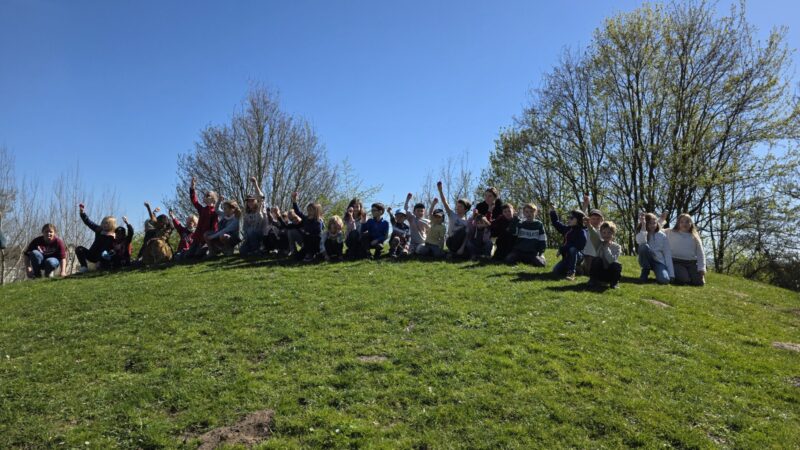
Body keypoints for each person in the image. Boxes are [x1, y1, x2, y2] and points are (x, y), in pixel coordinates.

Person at [661, 213, 706, 286]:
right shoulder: (670, 232)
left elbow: (700, 253)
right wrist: (661, 220)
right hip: (675, 262)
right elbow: (656, 229)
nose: (684, 224)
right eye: (681, 222)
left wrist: (702, 268)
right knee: (684, 280)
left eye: (687, 222)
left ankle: (694, 277)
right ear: (678, 223)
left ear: (691, 223)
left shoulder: (695, 236)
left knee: (699, 283)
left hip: (691, 263)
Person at [75, 204, 117, 273]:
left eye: (107, 223)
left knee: (106, 252)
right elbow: (89, 222)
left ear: (112, 225)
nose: (104, 224)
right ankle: (84, 267)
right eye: (103, 223)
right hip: (92, 255)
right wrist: (82, 213)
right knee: (79, 249)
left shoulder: (114, 236)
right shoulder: (99, 230)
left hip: (103, 257)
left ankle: (104, 266)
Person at [185, 176, 219, 258]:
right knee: (188, 255)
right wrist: (192, 187)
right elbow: (194, 201)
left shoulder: (216, 211)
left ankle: (212, 250)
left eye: (208, 195)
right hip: (197, 238)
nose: (205, 196)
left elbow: (215, 228)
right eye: (205, 195)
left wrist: (209, 239)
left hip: (207, 239)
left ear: (213, 199)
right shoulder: (202, 209)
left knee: (198, 255)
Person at [550, 206, 587, 281]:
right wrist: (553, 212)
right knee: (556, 271)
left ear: (579, 220)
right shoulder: (567, 229)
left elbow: (580, 246)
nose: (569, 219)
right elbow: (556, 223)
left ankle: (572, 273)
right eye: (568, 217)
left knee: (573, 249)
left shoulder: (581, 231)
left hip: (578, 256)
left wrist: (562, 248)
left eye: (571, 218)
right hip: (567, 257)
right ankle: (577, 269)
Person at [636, 212, 674, 284]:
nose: (652, 225)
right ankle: (645, 271)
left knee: (664, 280)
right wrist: (643, 224)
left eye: (654, 223)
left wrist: (671, 274)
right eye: (650, 223)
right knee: (643, 246)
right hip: (646, 260)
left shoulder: (662, 235)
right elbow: (641, 242)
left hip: (659, 262)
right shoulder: (642, 232)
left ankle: (659, 274)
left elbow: (667, 253)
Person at [436, 181, 470, 256]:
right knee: (462, 231)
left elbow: (466, 238)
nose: (457, 207)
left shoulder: (467, 222)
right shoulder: (452, 215)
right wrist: (440, 190)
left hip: (461, 244)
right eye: (457, 206)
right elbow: (445, 202)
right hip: (451, 241)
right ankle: (453, 253)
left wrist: (462, 248)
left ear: (466, 209)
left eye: (460, 206)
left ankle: (454, 254)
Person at [586, 220, 622, 289]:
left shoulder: (617, 247)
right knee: (597, 260)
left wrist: (606, 247)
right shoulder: (599, 243)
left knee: (617, 264)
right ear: (601, 234)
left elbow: (611, 260)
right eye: (604, 233)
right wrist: (589, 225)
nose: (606, 235)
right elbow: (593, 234)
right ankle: (593, 280)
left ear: (613, 234)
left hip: (610, 274)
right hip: (599, 273)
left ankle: (614, 283)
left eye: (609, 233)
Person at [240, 176, 268, 257]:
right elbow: (245, 227)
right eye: (248, 201)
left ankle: (257, 250)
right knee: (242, 251)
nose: (250, 203)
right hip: (250, 236)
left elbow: (260, 196)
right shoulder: (246, 213)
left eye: (252, 201)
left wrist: (255, 183)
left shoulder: (261, 207)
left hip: (262, 234)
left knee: (251, 231)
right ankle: (255, 250)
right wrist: (246, 236)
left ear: (256, 201)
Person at [292, 192, 324, 262]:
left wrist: (307, 232)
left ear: (315, 211)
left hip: (315, 243)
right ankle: (307, 253)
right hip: (306, 242)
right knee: (297, 257)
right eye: (308, 209)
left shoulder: (318, 221)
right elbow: (297, 212)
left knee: (310, 237)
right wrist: (294, 201)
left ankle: (311, 254)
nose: (309, 211)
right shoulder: (305, 218)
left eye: (311, 210)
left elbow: (318, 231)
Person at [581, 194, 604, 275]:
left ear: (601, 220)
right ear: (589, 219)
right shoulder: (585, 230)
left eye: (598, 219)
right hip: (585, 256)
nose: (595, 221)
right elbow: (581, 217)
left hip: (597, 258)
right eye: (593, 219)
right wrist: (585, 205)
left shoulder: (603, 232)